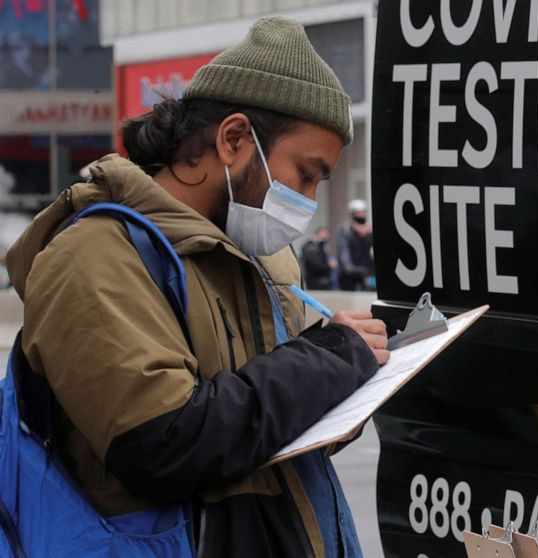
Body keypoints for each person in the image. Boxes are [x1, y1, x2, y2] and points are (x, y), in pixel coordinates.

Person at [5, 17, 388, 556]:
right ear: (233, 139)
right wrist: (329, 362)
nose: (305, 200)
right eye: (305, 173)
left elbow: (265, 428)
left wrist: (350, 385)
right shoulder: (94, 256)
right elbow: (162, 445)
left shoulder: (265, 258)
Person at [337, 199, 374, 291]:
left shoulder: (370, 230)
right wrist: (347, 265)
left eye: (363, 212)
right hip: (350, 271)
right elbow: (343, 249)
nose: (361, 215)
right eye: (358, 213)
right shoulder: (346, 230)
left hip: (366, 270)